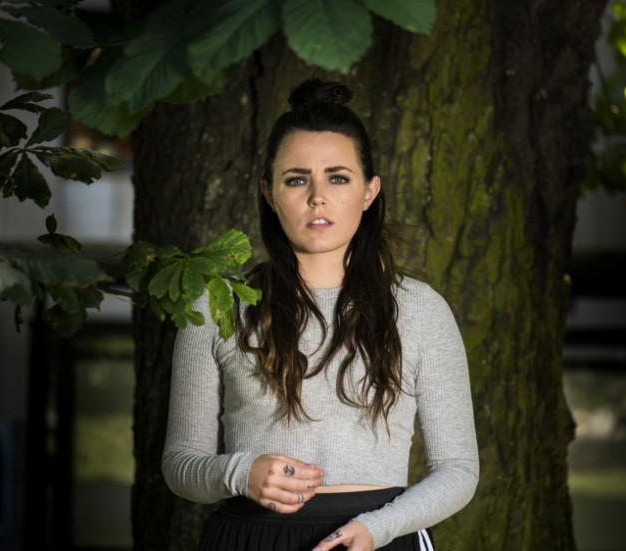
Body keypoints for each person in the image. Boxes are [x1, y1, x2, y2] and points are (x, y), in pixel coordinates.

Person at [162, 79, 479, 551]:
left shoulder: (420, 309)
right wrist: (240, 472)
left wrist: (379, 528)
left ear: (369, 191)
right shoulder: (216, 305)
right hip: (249, 538)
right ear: (269, 192)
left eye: (338, 177)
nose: (317, 197)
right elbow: (180, 464)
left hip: (380, 537)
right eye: (296, 179)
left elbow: (458, 470)